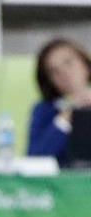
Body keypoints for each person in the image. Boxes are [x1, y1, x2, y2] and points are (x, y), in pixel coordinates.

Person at [27, 38, 91, 167]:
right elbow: (35, 159)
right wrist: (67, 116)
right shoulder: (44, 110)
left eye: (68, 63)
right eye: (54, 71)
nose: (64, 73)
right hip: (62, 184)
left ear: (85, 64)